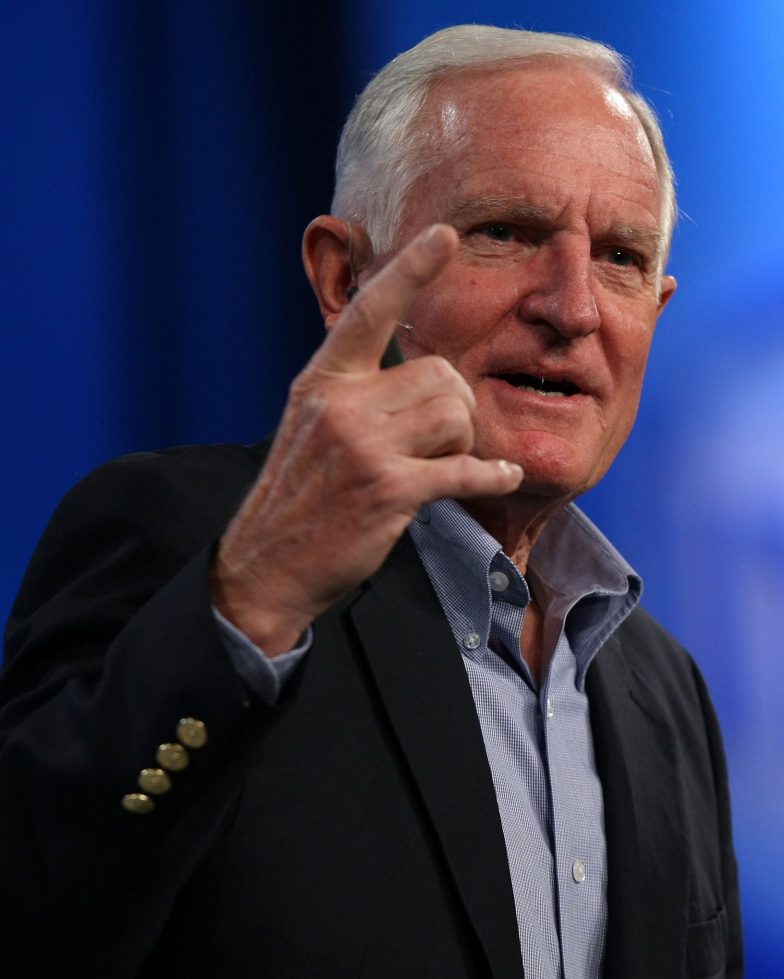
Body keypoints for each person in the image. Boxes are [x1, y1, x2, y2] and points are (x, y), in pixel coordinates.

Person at [0, 25, 741, 979]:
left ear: (656, 310)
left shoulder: (666, 693)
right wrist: (252, 599)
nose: (573, 307)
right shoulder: (190, 545)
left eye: (621, 257)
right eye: (506, 232)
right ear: (344, 277)